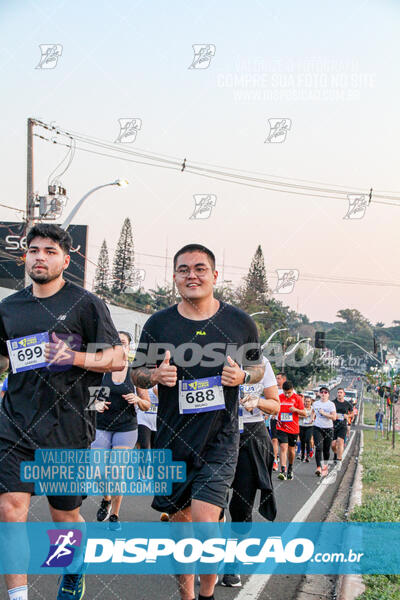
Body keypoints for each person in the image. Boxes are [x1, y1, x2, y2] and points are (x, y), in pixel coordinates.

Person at [131, 243, 265, 600]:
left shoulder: (239, 322)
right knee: (180, 531)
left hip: (219, 439)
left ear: (215, 276)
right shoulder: (159, 324)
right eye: (184, 269)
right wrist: (154, 375)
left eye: (200, 268)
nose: (192, 275)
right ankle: (187, 596)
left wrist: (244, 378)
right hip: (172, 438)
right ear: (175, 277)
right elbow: (136, 375)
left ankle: (207, 595)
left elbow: (256, 368)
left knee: (206, 524)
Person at [0, 224, 124, 600]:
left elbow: (117, 358)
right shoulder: (9, 308)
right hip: (14, 424)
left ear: (65, 260)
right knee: (10, 510)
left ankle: (73, 568)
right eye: (34, 250)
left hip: (68, 427)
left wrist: (75, 357)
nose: (40, 256)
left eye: (50, 251)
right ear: (26, 257)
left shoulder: (86, 304)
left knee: (64, 516)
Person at [222, 356, 279, 588]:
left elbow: (275, 405)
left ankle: (232, 563)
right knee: (210, 502)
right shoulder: (210, 354)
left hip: (251, 436)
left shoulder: (261, 362)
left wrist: (257, 402)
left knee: (241, 505)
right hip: (217, 435)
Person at [92, 330, 150, 530]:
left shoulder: (135, 373)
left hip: (126, 427)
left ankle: (115, 515)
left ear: (128, 347)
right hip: (101, 425)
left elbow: (147, 404)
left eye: (122, 342)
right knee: (99, 471)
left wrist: (138, 400)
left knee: (117, 472)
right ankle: (106, 498)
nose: (118, 346)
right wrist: (95, 404)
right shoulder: (101, 371)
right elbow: (88, 398)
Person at [276, 381, 306, 481]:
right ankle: (283, 470)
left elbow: (304, 413)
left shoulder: (297, 398)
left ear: (292, 390)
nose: (287, 394)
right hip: (281, 427)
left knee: (291, 450)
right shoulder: (280, 397)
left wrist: (296, 410)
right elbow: (275, 408)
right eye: (285, 392)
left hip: (293, 428)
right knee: (283, 447)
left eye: (289, 392)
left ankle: (290, 467)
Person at [312, 386, 337, 477]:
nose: (323, 394)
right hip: (317, 427)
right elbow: (312, 412)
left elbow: (334, 417)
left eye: (325, 392)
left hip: (328, 428)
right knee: (319, 447)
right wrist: (312, 418)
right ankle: (318, 467)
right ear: (319, 393)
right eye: (321, 392)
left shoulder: (331, 405)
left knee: (326, 449)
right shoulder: (315, 404)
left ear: (328, 394)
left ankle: (325, 467)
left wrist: (324, 413)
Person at [332, 388, 353, 463]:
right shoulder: (333, 403)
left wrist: (347, 416)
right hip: (333, 425)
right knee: (333, 444)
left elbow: (352, 413)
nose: (339, 394)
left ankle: (339, 459)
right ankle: (336, 453)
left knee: (340, 441)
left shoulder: (347, 404)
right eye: (338, 392)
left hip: (343, 425)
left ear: (344, 394)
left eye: (341, 392)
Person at [271, 372, 287, 471]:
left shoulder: (288, 391)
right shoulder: (273, 390)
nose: (276, 380)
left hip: (285, 420)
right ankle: (275, 460)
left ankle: (284, 464)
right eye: (276, 378)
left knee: (284, 445)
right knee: (274, 440)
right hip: (275, 418)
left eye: (278, 378)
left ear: (283, 380)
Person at [298, 396, 314, 461]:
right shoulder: (301, 408)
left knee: (308, 440)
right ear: (304, 401)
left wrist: (312, 418)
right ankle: (302, 455)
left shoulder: (313, 408)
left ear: (311, 402)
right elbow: (297, 415)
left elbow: (313, 415)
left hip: (310, 426)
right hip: (301, 425)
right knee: (302, 441)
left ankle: (307, 455)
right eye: (306, 401)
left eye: (308, 401)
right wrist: (304, 416)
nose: (307, 403)